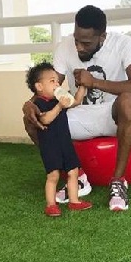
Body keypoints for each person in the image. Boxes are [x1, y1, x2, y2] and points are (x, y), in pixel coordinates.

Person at [22, 5, 131, 212]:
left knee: (128, 100)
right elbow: (49, 87)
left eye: (86, 43)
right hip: (77, 114)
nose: (79, 47)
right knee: (31, 120)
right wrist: (30, 103)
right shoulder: (65, 47)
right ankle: (77, 176)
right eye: (76, 40)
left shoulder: (122, 43)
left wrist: (95, 82)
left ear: (102, 36)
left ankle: (118, 181)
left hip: (112, 115)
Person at [26, 62, 92, 217]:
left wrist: (82, 86)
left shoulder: (59, 99)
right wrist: (59, 107)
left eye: (57, 81)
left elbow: (76, 101)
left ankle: (74, 201)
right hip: (50, 146)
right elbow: (45, 119)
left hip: (65, 143)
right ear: (39, 86)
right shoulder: (37, 104)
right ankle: (51, 205)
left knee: (73, 172)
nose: (57, 84)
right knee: (53, 175)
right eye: (52, 81)